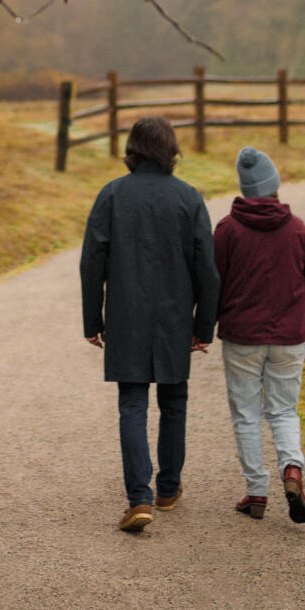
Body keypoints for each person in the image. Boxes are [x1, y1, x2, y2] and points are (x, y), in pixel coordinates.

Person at [80, 114, 220, 534]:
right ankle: (168, 490)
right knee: (174, 401)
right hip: (175, 318)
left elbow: (92, 262)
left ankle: (139, 499)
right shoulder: (188, 198)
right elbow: (207, 269)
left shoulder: (112, 195)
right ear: (170, 151)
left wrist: (93, 320)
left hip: (127, 316)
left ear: (133, 150)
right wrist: (204, 326)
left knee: (132, 404)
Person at [214, 146, 305, 525]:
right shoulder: (297, 230)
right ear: (274, 185)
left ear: (244, 188)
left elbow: (213, 284)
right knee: (283, 410)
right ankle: (292, 469)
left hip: (242, 336)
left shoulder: (227, 230)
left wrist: (203, 327)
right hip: (290, 336)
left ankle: (257, 491)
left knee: (246, 413)